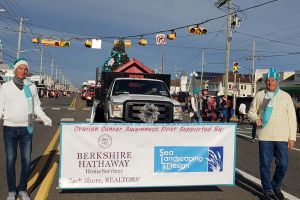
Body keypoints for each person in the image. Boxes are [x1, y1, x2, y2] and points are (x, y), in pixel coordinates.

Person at [0, 58, 52, 200]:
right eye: (20, 68)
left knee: (26, 160)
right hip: (10, 128)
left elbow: (36, 106)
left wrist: (45, 117)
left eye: (25, 69)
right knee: (10, 160)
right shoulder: (5, 86)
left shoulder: (31, 87)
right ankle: (11, 191)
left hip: (26, 129)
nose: (23, 71)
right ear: (15, 70)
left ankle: (22, 189)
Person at [247, 67, 297, 200]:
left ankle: (275, 185)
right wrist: (255, 118)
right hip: (265, 136)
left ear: (277, 81)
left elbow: (292, 118)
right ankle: (267, 190)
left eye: (273, 80)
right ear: (265, 81)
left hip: (282, 137)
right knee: (265, 164)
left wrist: (292, 138)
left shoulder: (285, 96)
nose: (270, 83)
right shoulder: (260, 95)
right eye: (268, 80)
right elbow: (251, 112)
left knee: (283, 164)